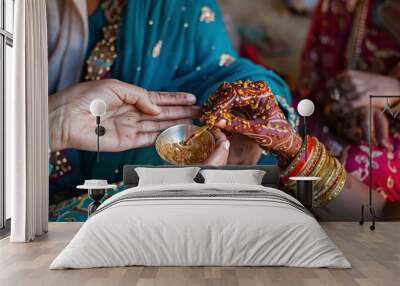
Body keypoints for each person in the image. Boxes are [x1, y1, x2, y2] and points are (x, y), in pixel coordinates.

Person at [47, 0, 295, 221]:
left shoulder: (175, 6)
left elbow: (222, 67)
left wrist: (246, 111)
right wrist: (48, 125)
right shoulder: (15, 19)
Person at [299, 0, 400, 205]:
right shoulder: (341, 5)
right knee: (271, 119)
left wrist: (394, 90)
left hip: (389, 140)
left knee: (353, 170)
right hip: (337, 113)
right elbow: (314, 80)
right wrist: (348, 103)